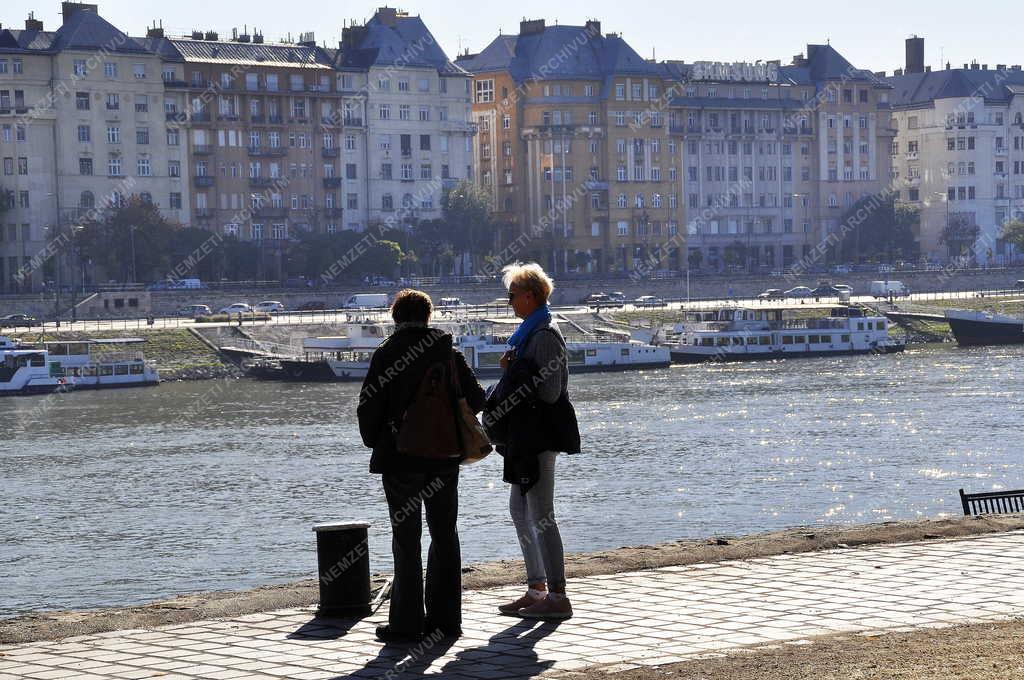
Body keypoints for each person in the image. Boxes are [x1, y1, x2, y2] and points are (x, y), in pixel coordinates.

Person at [357, 289, 485, 644]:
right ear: (429, 317)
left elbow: (369, 407)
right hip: (444, 458)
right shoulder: (449, 352)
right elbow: (476, 399)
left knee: (406, 539)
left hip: (401, 459)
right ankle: (446, 621)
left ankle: (407, 623)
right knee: (445, 536)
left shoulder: (387, 353)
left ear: (395, 318)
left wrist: (378, 440)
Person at [492, 262, 580, 621]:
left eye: (512, 296)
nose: (509, 302)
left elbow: (549, 392)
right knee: (520, 510)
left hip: (539, 435)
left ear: (529, 297)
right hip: (523, 435)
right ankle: (536, 588)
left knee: (541, 514)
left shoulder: (543, 334)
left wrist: (513, 374)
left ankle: (558, 595)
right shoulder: (529, 332)